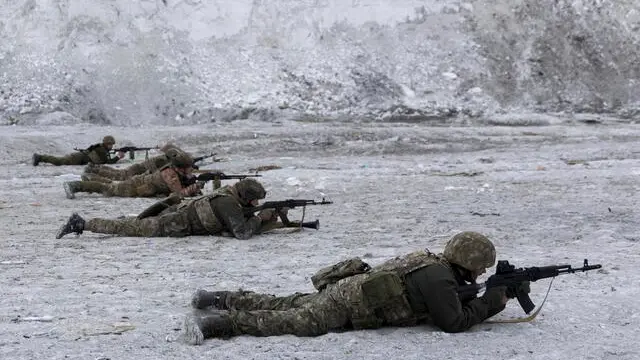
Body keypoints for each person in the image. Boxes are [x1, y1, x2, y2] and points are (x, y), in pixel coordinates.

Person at [182, 232, 519, 345]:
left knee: (286, 303)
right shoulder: (441, 279)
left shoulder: (432, 263)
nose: (481, 271)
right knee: (296, 321)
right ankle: (216, 324)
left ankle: (218, 298)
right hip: (351, 305)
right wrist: (491, 303)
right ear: (468, 261)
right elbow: (453, 323)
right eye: (480, 267)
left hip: (345, 289)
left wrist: (479, 296)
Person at [55, 178, 285, 240]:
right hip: (175, 224)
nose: (255, 205)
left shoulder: (228, 195)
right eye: (254, 201)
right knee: (131, 228)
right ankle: (83, 223)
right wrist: (261, 218)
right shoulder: (229, 203)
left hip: (178, 213)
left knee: (133, 222)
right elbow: (242, 233)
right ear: (246, 197)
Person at [62, 149, 201, 199]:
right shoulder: (170, 174)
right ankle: (76, 185)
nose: (191, 169)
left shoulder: (175, 171)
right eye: (189, 167)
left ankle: (90, 178)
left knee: (112, 183)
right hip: (135, 186)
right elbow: (178, 194)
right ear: (182, 167)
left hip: (139, 183)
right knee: (109, 188)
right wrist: (193, 188)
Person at [81, 144, 185, 182]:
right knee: (118, 176)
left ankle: (93, 168)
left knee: (117, 173)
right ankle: (92, 171)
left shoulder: (163, 158)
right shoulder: (161, 161)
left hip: (137, 168)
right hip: (137, 170)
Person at [32, 135, 125, 166]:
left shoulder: (101, 148)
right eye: (109, 144)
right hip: (77, 158)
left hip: (79, 158)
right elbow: (108, 162)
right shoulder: (101, 150)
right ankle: (39, 157)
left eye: (111, 144)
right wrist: (118, 157)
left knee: (59, 161)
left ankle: (40, 158)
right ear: (105, 144)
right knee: (59, 161)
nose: (111, 146)